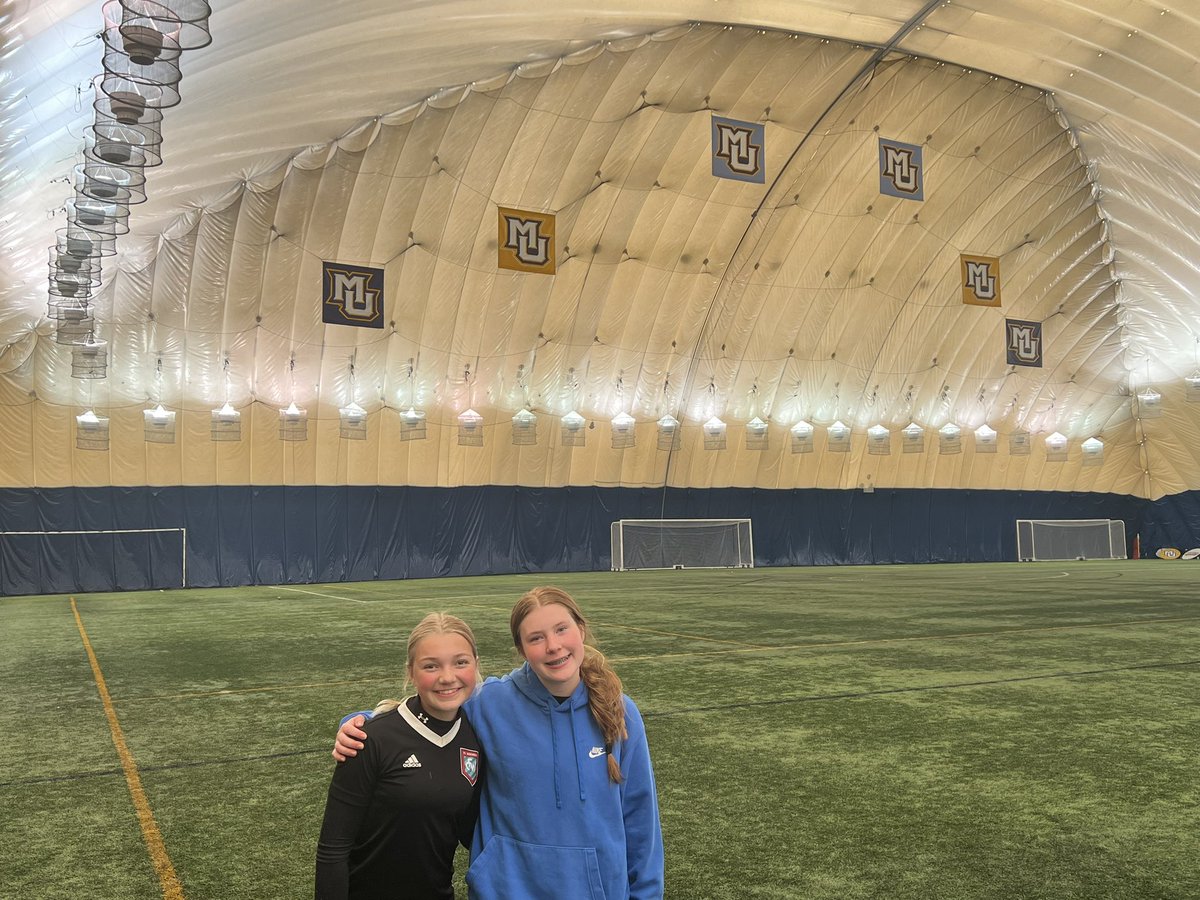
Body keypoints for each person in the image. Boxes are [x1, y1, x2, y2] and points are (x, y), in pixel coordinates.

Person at [334, 586, 664, 900]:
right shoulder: (490, 703)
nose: (553, 645)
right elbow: (424, 710)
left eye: (561, 629)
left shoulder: (619, 711)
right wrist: (358, 721)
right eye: (536, 638)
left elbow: (640, 820)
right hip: (506, 889)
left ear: (581, 629)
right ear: (521, 649)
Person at [316, 612, 484, 900]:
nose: (447, 677)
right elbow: (333, 849)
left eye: (460, 662)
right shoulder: (369, 739)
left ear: (476, 665)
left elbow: (470, 831)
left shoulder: (476, 735)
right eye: (431, 665)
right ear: (411, 672)